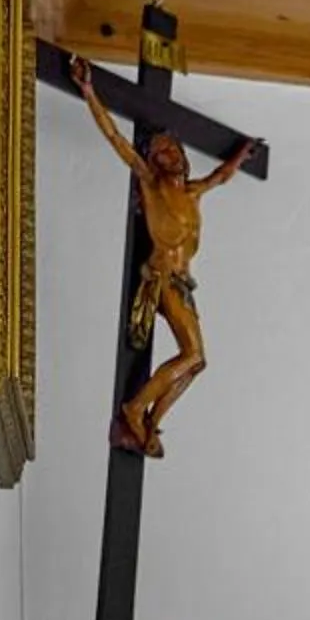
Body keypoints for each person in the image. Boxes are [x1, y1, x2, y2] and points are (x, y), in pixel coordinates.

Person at [72, 53, 255, 456]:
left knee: (198, 361)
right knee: (192, 354)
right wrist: (89, 91)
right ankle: (134, 410)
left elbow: (220, 176)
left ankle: (150, 421)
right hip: (161, 279)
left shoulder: (192, 192)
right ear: (152, 161)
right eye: (161, 153)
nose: (170, 157)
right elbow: (115, 138)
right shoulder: (150, 185)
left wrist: (241, 155)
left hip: (184, 282)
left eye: (173, 152)